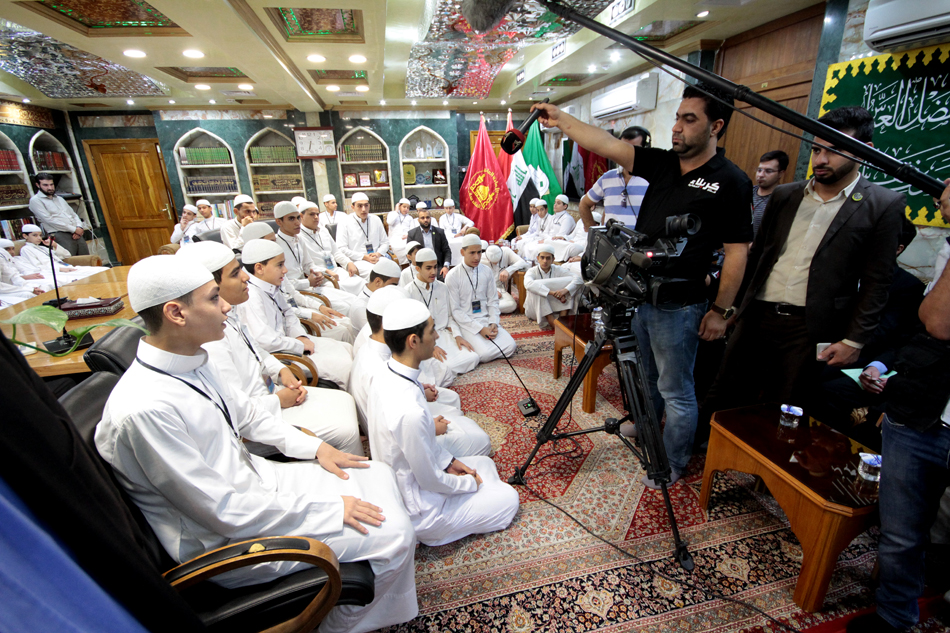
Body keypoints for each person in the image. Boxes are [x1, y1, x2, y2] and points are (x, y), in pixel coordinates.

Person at [94, 254, 417, 633]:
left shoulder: (192, 359)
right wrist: (331, 511)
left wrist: (317, 449)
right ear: (176, 313)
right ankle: (338, 626)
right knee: (396, 532)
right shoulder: (145, 409)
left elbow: (247, 415)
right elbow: (223, 511)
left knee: (376, 472)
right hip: (232, 542)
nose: (226, 306)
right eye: (213, 298)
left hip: (260, 488)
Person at [532, 82, 754, 488]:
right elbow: (606, 143)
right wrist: (561, 119)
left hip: (680, 304)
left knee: (676, 390)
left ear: (716, 126)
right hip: (637, 294)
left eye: (689, 120)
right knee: (643, 377)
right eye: (677, 117)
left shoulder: (730, 181)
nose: (677, 127)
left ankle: (672, 460)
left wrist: (721, 311)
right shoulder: (664, 163)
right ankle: (644, 423)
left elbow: (738, 251)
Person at [703, 105, 905, 425]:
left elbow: (876, 281)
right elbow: (759, 256)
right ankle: (703, 449)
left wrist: (854, 340)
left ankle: (764, 460)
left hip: (809, 328)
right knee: (724, 394)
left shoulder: (882, 204)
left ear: (865, 151)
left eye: (834, 150)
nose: (821, 159)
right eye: (816, 150)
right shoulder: (786, 195)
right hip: (756, 316)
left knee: (784, 408)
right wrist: (732, 309)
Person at [845, 178, 950, 632]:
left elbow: (939, 323)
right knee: (901, 532)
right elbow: (933, 326)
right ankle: (893, 618)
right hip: (920, 409)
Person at [178, 241, 363, 456]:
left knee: (344, 401)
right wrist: (278, 400)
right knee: (346, 430)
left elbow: (256, 349)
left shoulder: (230, 313)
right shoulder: (210, 340)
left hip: (271, 393)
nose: (246, 277)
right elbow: (238, 411)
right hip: (261, 419)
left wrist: (281, 370)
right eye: (236, 273)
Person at [367, 298, 519, 546]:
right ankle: (432, 532)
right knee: (508, 499)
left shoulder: (388, 371)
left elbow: (422, 444)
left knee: (484, 463)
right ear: (413, 341)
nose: (437, 336)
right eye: (432, 331)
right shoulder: (409, 411)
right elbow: (430, 480)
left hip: (414, 477)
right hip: (421, 507)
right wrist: (466, 484)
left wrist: (449, 462)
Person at [810, 217, 924, 440]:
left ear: (898, 249)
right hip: (817, 344)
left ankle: (821, 447)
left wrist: (847, 345)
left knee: (822, 382)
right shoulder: (840, 269)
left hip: (863, 356)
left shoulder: (908, 287)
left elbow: (886, 334)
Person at [349, 287, 491, 459]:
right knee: (482, 442)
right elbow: (397, 428)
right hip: (402, 446)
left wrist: (420, 389)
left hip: (406, 422)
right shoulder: (377, 370)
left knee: (452, 399)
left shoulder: (371, 345)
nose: (436, 336)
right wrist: (431, 428)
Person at [237, 239, 354, 389]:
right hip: (283, 357)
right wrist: (298, 345)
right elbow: (266, 341)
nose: (285, 270)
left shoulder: (269, 283)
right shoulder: (251, 296)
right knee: (345, 367)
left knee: (347, 348)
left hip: (293, 342)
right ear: (259, 268)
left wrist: (300, 335)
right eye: (280, 265)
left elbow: (287, 312)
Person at [273, 200, 356, 319]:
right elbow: (284, 284)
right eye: (291, 219)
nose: (297, 222)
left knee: (352, 299)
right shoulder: (276, 246)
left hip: (310, 287)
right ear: (279, 222)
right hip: (296, 293)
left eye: (298, 218)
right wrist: (308, 282)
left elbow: (308, 265)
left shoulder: (299, 239)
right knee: (345, 307)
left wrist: (320, 273)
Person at [406, 247, 480, 379]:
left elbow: (450, 317)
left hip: (443, 334)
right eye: (428, 268)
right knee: (446, 367)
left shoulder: (442, 287)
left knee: (473, 357)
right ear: (418, 268)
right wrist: (430, 346)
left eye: (435, 267)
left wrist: (458, 336)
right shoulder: (408, 292)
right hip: (424, 340)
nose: (434, 272)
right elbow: (410, 328)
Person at [444, 234, 517, 363]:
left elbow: (493, 301)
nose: (477, 257)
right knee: (484, 354)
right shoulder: (453, 276)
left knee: (511, 346)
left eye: (479, 252)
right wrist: (480, 329)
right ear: (462, 252)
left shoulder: (486, 271)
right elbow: (455, 311)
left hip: (486, 319)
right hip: (466, 323)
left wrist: (493, 322)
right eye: (472, 253)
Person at [578, 126, 651, 228]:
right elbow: (584, 204)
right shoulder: (607, 178)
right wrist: (591, 230)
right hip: (611, 238)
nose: (626, 154)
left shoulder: (653, 180)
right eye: (623, 148)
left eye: (633, 149)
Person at [297, 200, 365, 296]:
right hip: (320, 278)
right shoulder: (298, 237)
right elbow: (306, 266)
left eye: (317, 214)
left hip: (336, 270)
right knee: (344, 291)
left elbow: (336, 252)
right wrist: (326, 272)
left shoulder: (323, 231)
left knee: (362, 283)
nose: (316, 217)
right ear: (301, 216)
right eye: (311, 214)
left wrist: (348, 263)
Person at [28, 172, 90, 256]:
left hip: (76, 233)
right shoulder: (36, 200)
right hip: (60, 234)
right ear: (38, 185)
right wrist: (74, 229)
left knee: (86, 258)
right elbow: (49, 220)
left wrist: (79, 227)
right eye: (45, 185)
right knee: (70, 259)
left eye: (51, 184)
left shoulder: (60, 198)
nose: (50, 188)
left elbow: (73, 215)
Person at [523, 244, 583, 329]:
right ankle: (554, 324)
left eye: (548, 258)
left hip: (557, 310)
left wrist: (564, 291)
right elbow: (528, 284)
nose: (545, 261)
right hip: (536, 311)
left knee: (569, 283)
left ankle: (562, 317)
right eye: (542, 258)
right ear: (538, 258)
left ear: (553, 259)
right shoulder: (531, 271)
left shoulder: (558, 269)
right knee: (537, 289)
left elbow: (579, 279)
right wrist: (552, 293)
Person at [336, 192, 391, 280]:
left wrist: (377, 254)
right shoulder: (344, 222)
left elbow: (385, 242)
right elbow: (341, 248)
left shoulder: (376, 219)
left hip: (377, 258)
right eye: (360, 206)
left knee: (393, 270)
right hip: (358, 261)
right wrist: (364, 257)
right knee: (377, 275)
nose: (364, 209)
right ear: (353, 207)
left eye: (366, 205)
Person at [350, 258, 402, 333]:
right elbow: (380, 335)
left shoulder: (383, 296)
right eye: (393, 285)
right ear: (378, 281)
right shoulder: (361, 307)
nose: (394, 288)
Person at [523, 196, 576, 263]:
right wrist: (545, 239)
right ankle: (529, 265)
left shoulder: (567, 219)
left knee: (536, 249)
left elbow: (560, 237)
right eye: (555, 202)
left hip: (556, 243)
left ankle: (538, 267)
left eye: (558, 203)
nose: (555, 205)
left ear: (565, 206)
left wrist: (546, 240)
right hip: (548, 240)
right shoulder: (553, 217)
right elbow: (545, 232)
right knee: (528, 245)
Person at [751, 150, 789, 238]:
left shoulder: (782, 200)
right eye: (759, 170)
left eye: (768, 171)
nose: (761, 175)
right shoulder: (747, 191)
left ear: (781, 173)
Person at [408, 206, 451, 279]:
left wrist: (446, 266)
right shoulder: (412, 234)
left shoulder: (439, 232)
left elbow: (447, 251)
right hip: (420, 267)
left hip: (437, 266)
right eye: (422, 218)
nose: (425, 220)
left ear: (430, 219)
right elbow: (409, 254)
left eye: (427, 217)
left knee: (445, 279)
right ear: (418, 220)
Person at [484, 244, 527, 314]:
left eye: (497, 261)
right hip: (484, 290)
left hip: (500, 289)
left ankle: (480, 309)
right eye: (493, 262)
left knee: (512, 305)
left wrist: (508, 270)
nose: (495, 264)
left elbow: (522, 262)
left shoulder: (506, 251)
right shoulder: (480, 258)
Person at [387, 199, 418, 265]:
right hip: (394, 240)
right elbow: (389, 222)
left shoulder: (409, 218)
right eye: (404, 207)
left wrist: (408, 235)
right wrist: (396, 211)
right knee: (395, 248)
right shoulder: (392, 214)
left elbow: (412, 230)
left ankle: (409, 265)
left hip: (406, 239)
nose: (406, 209)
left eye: (408, 208)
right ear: (399, 206)